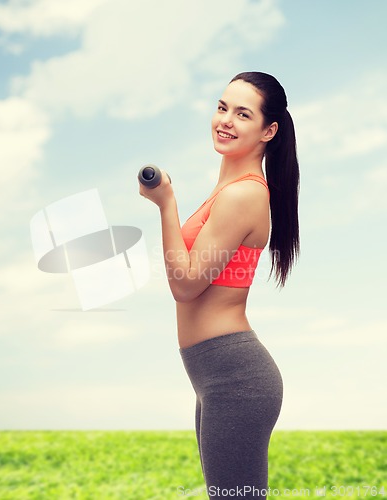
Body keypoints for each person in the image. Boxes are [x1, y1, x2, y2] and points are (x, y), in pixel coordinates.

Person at [139, 72, 300, 498]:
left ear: (269, 131)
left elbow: (187, 284)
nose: (225, 120)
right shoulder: (225, 190)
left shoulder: (243, 195)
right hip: (213, 374)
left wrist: (166, 204)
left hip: (235, 378)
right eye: (222, 107)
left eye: (242, 113)